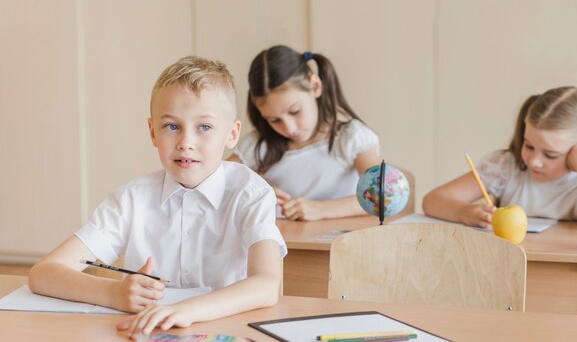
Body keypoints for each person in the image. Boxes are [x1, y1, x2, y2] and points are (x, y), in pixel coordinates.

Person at [28, 55, 287, 339]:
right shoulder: (131, 199)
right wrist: (114, 293)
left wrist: (186, 310)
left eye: (204, 127)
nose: (186, 143)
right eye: (172, 126)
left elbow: (267, 285)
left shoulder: (251, 193)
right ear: (153, 132)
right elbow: (43, 273)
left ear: (232, 134)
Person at [423, 86, 577, 227]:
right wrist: (464, 212)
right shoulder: (507, 168)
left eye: (551, 154)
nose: (534, 161)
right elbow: (433, 200)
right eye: (529, 145)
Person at [228, 45, 380, 221]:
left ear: (315, 86)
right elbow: (213, 183)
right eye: (274, 120)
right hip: (284, 245)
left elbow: (380, 195)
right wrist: (253, 193)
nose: (290, 128)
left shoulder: (351, 137)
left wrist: (321, 209)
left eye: (295, 111)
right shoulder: (257, 146)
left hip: (340, 245)